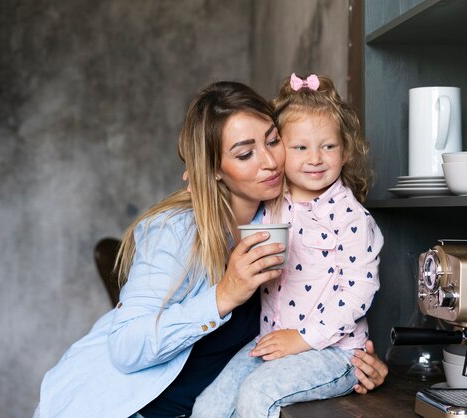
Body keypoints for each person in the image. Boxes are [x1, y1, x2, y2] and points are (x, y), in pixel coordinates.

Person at [36, 80, 387, 418]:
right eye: (246, 153)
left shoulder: (291, 216)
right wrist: (224, 294)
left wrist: (350, 360)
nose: (269, 162)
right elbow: (127, 347)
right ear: (214, 169)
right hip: (126, 409)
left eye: (273, 140)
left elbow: (338, 290)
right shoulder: (176, 230)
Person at [191, 73, 384, 417]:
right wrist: (202, 177)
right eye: (300, 147)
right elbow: (227, 200)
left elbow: (358, 292)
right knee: (208, 407)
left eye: (328, 146)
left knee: (257, 395)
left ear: (345, 151)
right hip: (274, 340)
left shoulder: (351, 218)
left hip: (333, 352)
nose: (315, 158)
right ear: (280, 151)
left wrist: (303, 338)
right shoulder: (273, 203)